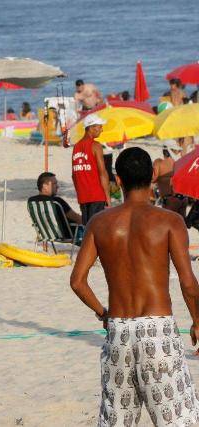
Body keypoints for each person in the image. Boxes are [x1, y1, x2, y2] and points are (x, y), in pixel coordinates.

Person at [70, 147, 199, 426]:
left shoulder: (99, 222)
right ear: (154, 176)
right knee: (178, 419)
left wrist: (102, 312)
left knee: (117, 420)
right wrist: (197, 320)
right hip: (157, 332)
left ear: (118, 180)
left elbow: (78, 282)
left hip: (119, 330)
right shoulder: (170, 221)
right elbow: (188, 283)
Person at [72, 113, 111, 224]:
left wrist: (79, 194)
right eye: (99, 127)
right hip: (97, 195)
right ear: (92, 127)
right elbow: (102, 173)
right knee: (96, 228)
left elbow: (74, 175)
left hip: (83, 196)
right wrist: (107, 197)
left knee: (87, 229)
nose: (101, 130)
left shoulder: (76, 146)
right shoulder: (96, 146)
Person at [153, 142, 187, 215]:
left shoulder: (159, 162)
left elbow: (153, 179)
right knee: (181, 224)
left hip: (169, 199)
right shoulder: (179, 161)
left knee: (167, 224)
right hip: (183, 198)